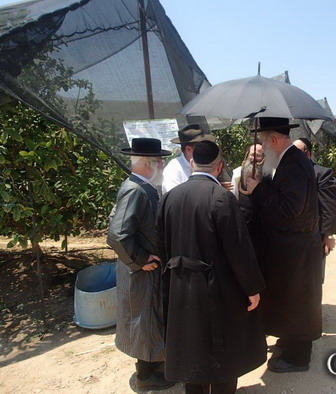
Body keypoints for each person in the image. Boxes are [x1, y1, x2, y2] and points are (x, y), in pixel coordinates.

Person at [157, 140, 267, 393]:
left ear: (192, 162)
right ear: (219, 167)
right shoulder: (221, 198)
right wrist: (252, 288)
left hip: (181, 285)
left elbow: (161, 246)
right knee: (223, 350)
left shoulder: (169, 198)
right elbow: (239, 249)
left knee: (191, 347)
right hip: (217, 288)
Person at [245, 117, 323, 373]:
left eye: (264, 142)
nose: (263, 148)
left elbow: (290, 208)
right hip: (292, 249)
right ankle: (290, 343)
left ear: (274, 139)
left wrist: (258, 190)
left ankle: (297, 357)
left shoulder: (294, 164)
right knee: (291, 301)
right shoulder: (290, 161)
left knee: (298, 303)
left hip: (297, 251)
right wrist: (263, 184)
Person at [106, 138, 174, 392]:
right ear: (148, 163)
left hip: (147, 270)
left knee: (151, 319)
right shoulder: (135, 189)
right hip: (141, 271)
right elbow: (117, 234)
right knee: (143, 320)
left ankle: (156, 367)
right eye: (160, 161)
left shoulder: (143, 187)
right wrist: (140, 260)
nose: (163, 165)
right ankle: (146, 376)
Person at [293, 138, 336, 260]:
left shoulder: (321, 173)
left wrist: (328, 235)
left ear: (307, 153)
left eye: (296, 151)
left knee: (314, 274)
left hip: (314, 236)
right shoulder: (289, 174)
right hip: (293, 236)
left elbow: (328, 206)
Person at [162, 124, 215, 193]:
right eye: (201, 148)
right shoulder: (173, 169)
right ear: (189, 149)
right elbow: (175, 198)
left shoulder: (206, 164)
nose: (205, 150)